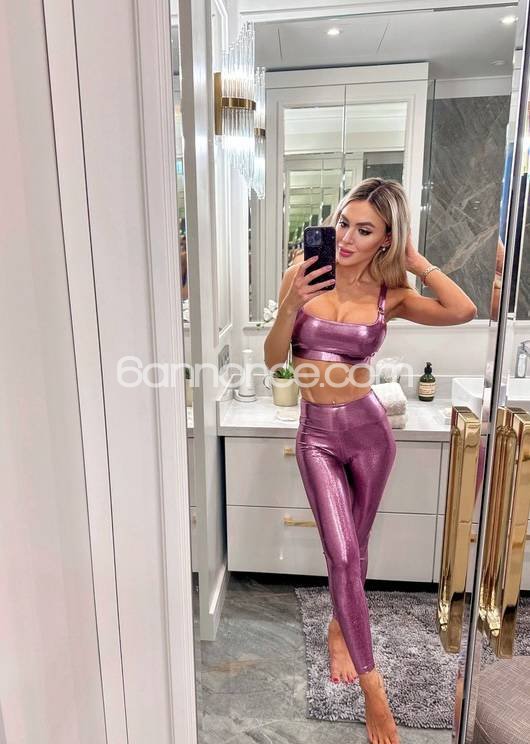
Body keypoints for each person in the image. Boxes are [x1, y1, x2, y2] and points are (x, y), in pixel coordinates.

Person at [264, 177, 477, 744]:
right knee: (340, 554)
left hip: (370, 433)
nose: (346, 238)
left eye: (365, 230)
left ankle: (341, 626)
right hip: (317, 435)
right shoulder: (301, 276)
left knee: (356, 550)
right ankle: (373, 689)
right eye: (343, 223)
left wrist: (417, 260)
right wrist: (291, 303)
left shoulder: (391, 295)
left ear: (386, 239)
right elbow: (273, 358)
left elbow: (462, 310)